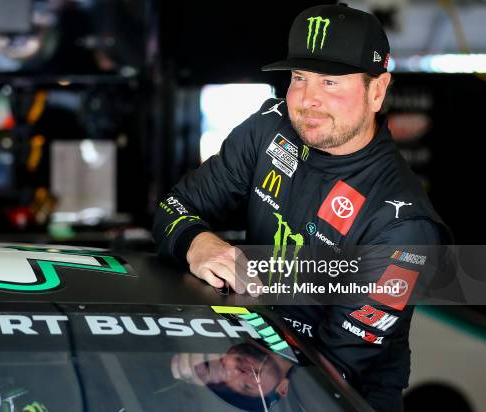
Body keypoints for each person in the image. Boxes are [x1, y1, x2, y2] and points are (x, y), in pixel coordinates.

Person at [153, 3, 452, 411]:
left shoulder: (402, 225)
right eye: (299, 77)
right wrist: (198, 242)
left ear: (377, 91)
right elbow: (173, 209)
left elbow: (331, 371)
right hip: (252, 369)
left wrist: (227, 373)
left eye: (330, 82)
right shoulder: (267, 129)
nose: (308, 99)